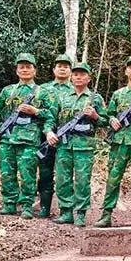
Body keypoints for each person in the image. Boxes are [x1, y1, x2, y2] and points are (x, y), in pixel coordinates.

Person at [0, 53, 57, 219]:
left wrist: (36, 111)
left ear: (35, 70)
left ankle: (27, 205)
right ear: (17, 70)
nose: (25, 70)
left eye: (28, 66)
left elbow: (52, 115)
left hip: (29, 140)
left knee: (28, 174)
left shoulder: (42, 92)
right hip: (7, 139)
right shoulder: (7, 91)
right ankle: (10, 204)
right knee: (7, 173)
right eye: (21, 67)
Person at [45, 63, 107, 227]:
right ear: (71, 76)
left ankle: (80, 213)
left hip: (84, 145)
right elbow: (51, 119)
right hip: (63, 145)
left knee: (82, 180)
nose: (79, 77)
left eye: (83, 74)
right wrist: (49, 132)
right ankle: (66, 212)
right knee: (62, 179)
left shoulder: (95, 98)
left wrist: (95, 116)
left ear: (89, 78)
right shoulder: (62, 97)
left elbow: (105, 122)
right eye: (76, 74)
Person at [95, 56, 131, 228]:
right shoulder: (118, 94)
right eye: (130, 67)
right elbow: (106, 115)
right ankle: (106, 214)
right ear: (126, 71)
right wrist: (112, 120)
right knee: (113, 179)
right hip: (119, 142)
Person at [37, 54, 74, 218]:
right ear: (53, 69)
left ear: (70, 71)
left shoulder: (76, 90)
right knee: (45, 172)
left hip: (69, 140)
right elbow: (36, 110)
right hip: (46, 136)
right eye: (59, 66)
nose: (62, 68)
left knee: (64, 175)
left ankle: (66, 210)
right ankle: (45, 208)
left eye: (66, 66)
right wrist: (47, 131)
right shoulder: (42, 89)